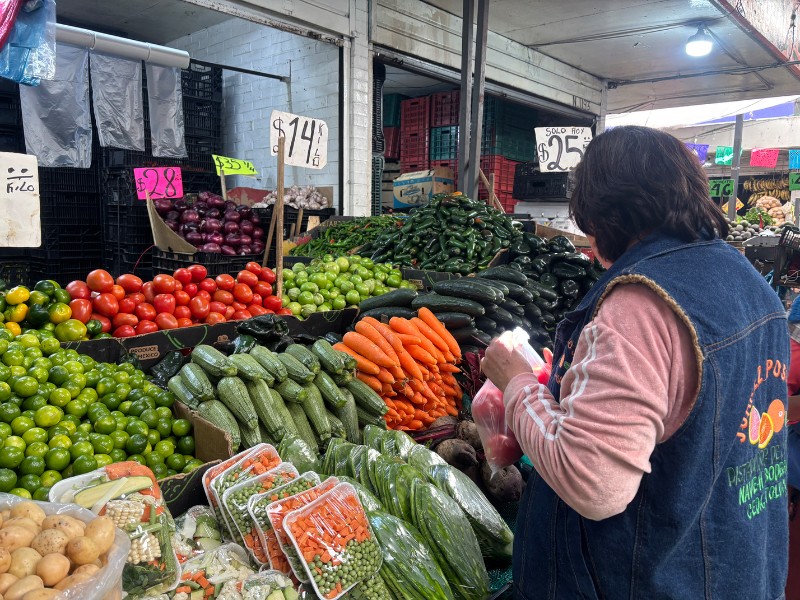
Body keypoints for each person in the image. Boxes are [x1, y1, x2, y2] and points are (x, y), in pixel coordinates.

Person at [482, 126, 789, 599]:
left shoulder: (639, 306)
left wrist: (519, 382)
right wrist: (575, 385)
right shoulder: (749, 280)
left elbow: (594, 484)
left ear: (608, 213)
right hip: (735, 566)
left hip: (645, 579)